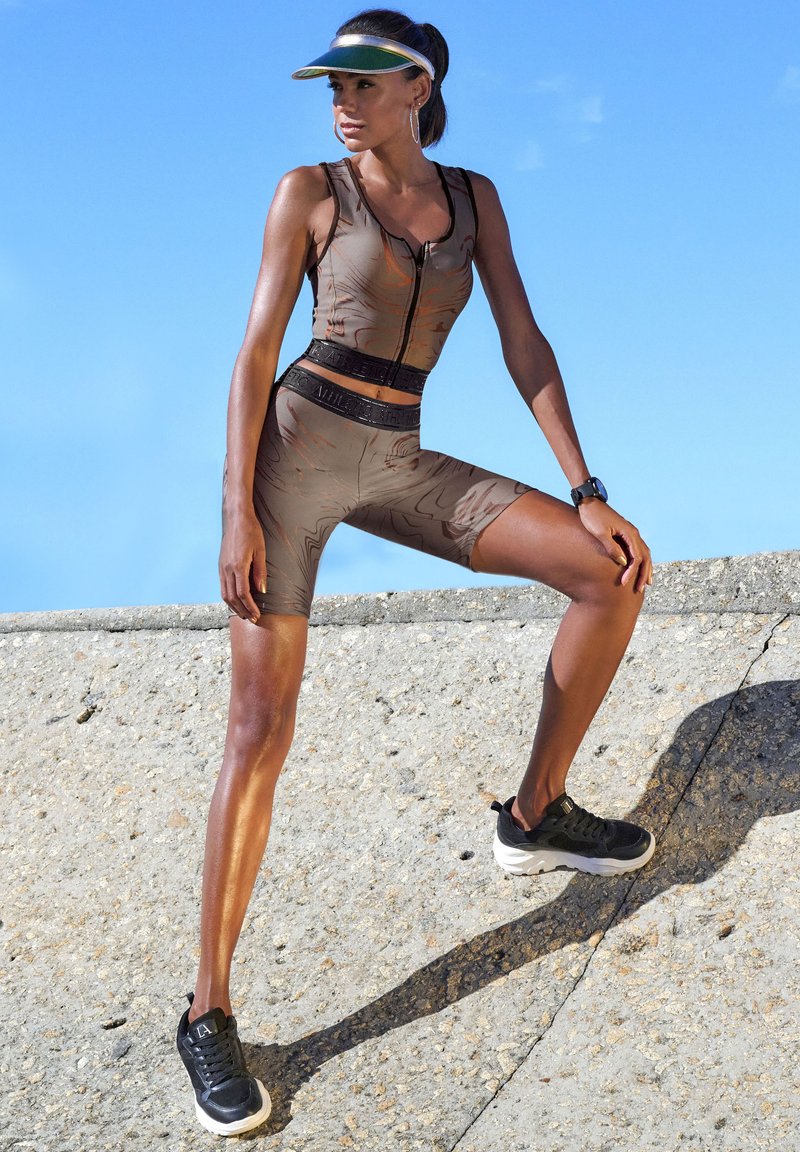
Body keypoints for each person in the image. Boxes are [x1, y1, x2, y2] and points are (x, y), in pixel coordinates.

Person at [175, 8, 656, 1137]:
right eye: (331, 85)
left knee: (608, 572)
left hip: (398, 458)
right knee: (259, 730)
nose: (342, 102)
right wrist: (236, 511)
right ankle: (206, 1011)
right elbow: (254, 352)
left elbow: (522, 340)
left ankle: (535, 814)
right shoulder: (308, 191)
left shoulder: (475, 199)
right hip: (294, 460)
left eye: (363, 83)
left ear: (416, 87)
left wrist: (586, 485)